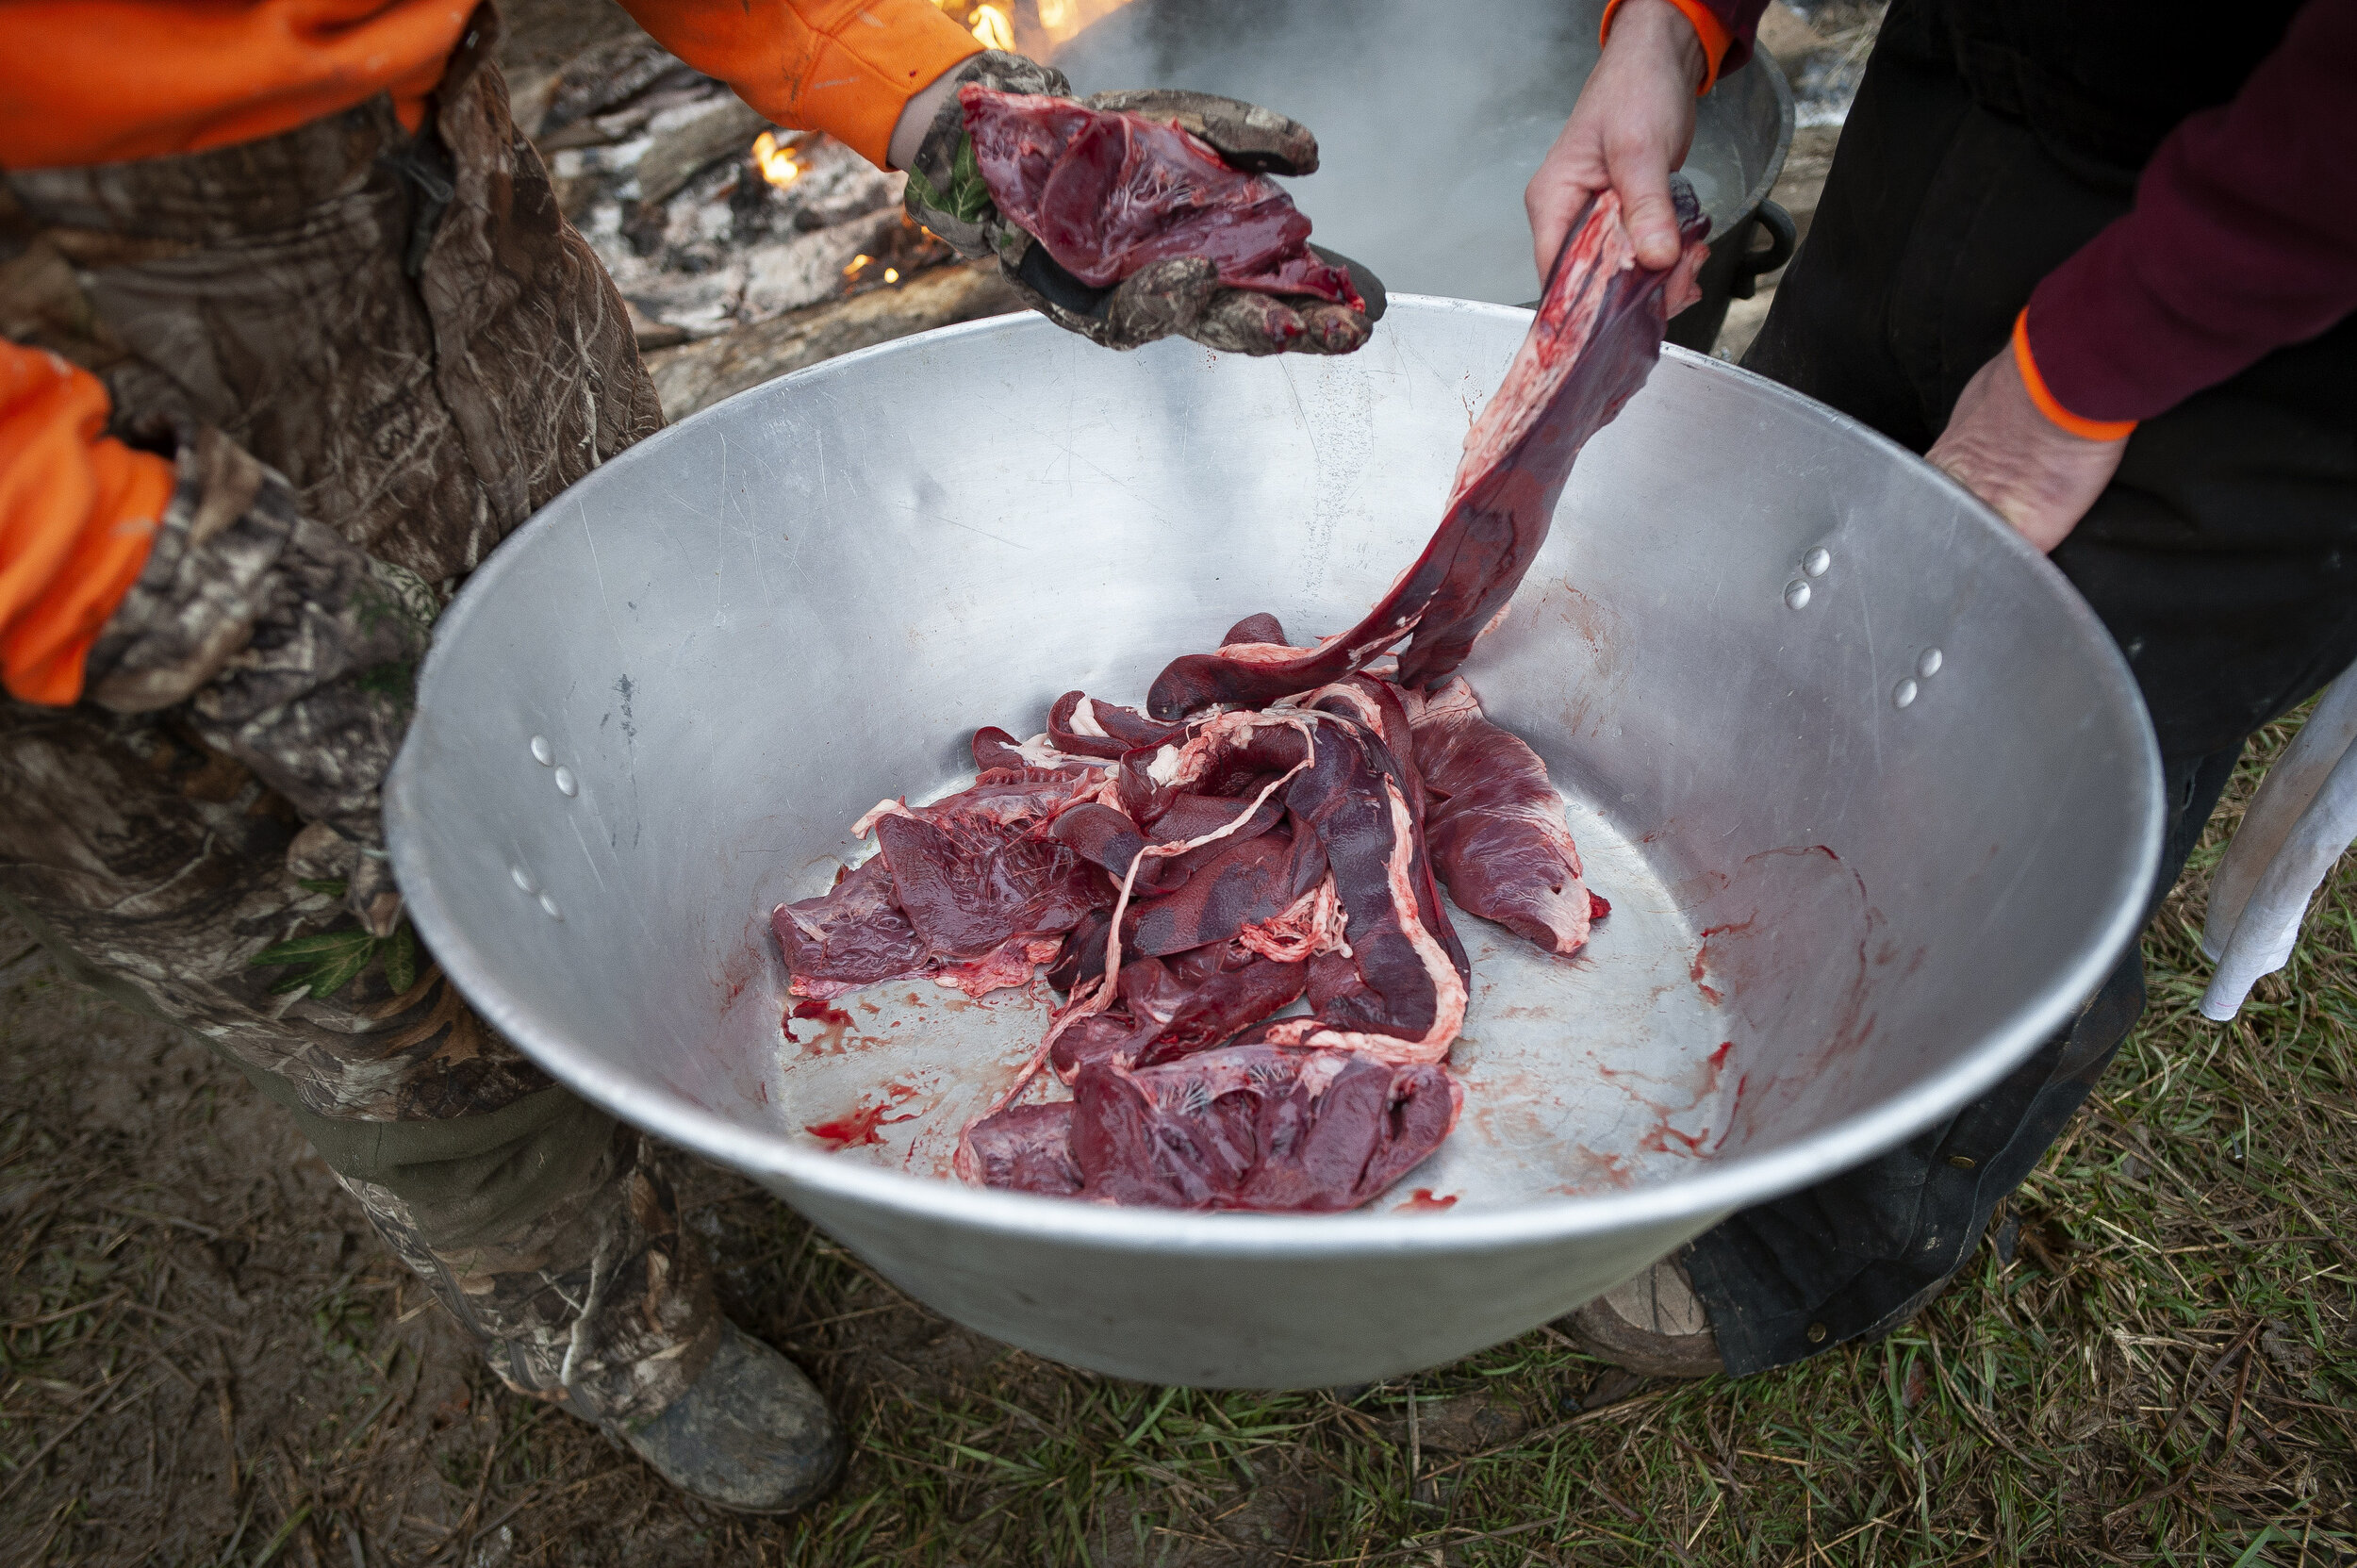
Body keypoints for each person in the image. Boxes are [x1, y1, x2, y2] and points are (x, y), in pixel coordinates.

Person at [0, 1, 1369, 1513]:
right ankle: (614, 1330)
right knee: (361, 974)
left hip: (451, 234)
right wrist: (105, 576)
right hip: (76, 426)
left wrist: (937, 106)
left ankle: (677, 1044)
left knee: (658, 740)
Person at [1531, 0, 2357, 1375]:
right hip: (1974, 90)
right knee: (1763, 594)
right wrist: (1672, 29)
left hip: (2287, 262)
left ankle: (1831, 1230)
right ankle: (1716, 986)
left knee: (2011, 809)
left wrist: (2094, 365)